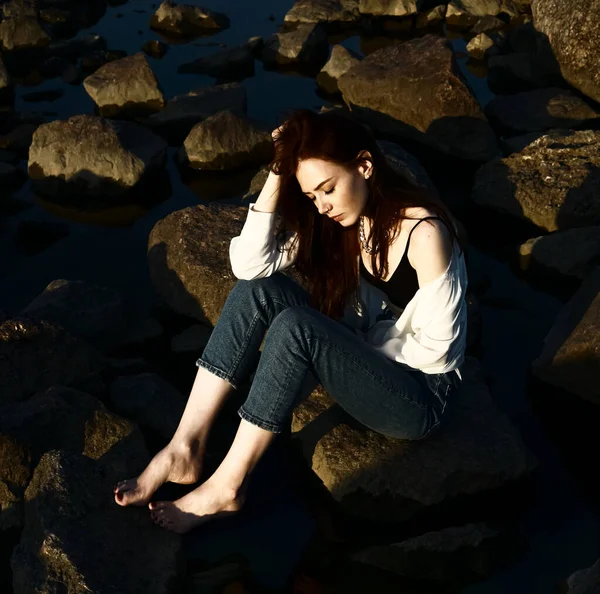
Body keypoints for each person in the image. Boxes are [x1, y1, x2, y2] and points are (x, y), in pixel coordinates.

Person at [112, 109, 469, 534]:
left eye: (328, 189)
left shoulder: (425, 234)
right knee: (258, 292)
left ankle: (227, 485)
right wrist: (279, 169)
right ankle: (184, 447)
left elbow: (439, 349)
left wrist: (341, 343)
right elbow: (249, 266)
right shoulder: (338, 222)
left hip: (422, 394)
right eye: (313, 195)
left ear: (365, 166)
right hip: (366, 355)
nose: (322, 206)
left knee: (298, 327)